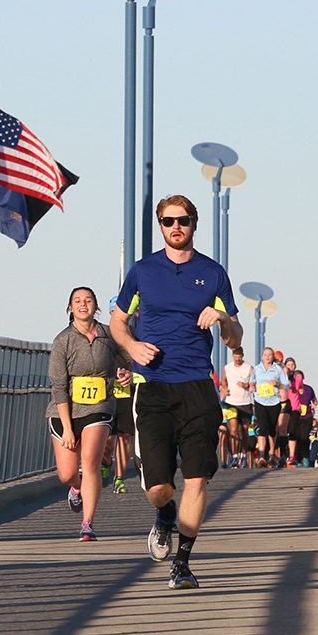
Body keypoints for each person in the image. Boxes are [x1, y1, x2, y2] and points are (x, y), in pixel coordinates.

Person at [111, 194, 242, 589]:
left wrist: (222, 318)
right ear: (161, 226)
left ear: (194, 224)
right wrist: (132, 346)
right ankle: (165, 515)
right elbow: (118, 322)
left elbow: (236, 340)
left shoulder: (213, 273)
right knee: (157, 488)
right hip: (151, 387)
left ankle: (182, 563)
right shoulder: (143, 271)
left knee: (198, 476)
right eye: (168, 222)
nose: (176, 227)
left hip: (197, 387)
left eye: (183, 220)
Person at [49, 287, 126, 541]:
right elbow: (59, 386)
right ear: (70, 308)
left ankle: (87, 524)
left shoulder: (108, 335)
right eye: (77, 301)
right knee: (67, 473)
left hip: (99, 407)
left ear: (96, 305)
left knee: (91, 462)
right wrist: (68, 428)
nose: (83, 305)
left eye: (88, 300)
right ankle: (76, 487)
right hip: (66, 410)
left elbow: (127, 358)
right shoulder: (63, 340)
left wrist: (125, 373)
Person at [249, 347, 286, 469]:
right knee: (262, 427)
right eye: (265, 354)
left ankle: (272, 452)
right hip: (260, 401)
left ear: (273, 357)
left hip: (274, 402)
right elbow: (252, 381)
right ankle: (261, 455)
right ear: (262, 356)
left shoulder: (277, 369)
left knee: (271, 428)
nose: (267, 357)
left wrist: (278, 384)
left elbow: (286, 385)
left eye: (270, 355)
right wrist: (252, 386)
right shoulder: (257, 369)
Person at [221, 346, 254, 468]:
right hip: (231, 402)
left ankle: (243, 454)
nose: (237, 358)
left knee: (245, 430)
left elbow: (253, 383)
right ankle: (234, 456)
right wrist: (224, 388)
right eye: (235, 355)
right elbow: (223, 380)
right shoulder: (227, 368)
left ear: (242, 356)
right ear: (233, 356)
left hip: (245, 402)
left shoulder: (249, 368)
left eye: (239, 356)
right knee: (233, 429)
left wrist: (246, 385)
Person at [109, 365, 134, 492]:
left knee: (125, 436)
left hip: (128, 392)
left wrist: (133, 375)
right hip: (106, 392)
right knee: (107, 439)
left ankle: (119, 479)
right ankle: (106, 460)